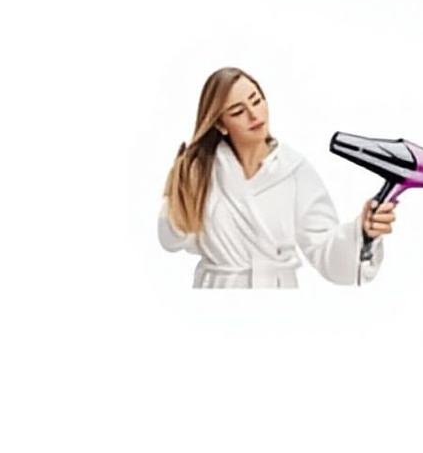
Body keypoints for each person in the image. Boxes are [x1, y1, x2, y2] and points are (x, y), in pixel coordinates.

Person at [158, 67, 396, 288]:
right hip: (216, 292)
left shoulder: (294, 170)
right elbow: (171, 240)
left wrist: (364, 233)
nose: (254, 114)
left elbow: (325, 249)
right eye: (238, 111)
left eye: (256, 101)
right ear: (220, 124)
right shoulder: (201, 171)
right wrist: (179, 195)